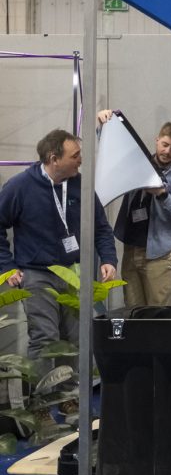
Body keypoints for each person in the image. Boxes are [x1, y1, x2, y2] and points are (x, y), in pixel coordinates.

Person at [0, 129, 117, 401]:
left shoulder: (81, 186)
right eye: (75, 155)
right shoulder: (20, 187)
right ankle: (40, 403)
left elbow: (101, 227)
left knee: (75, 339)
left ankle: (69, 399)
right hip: (37, 274)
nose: (81, 160)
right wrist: (7, 267)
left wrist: (109, 259)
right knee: (45, 338)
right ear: (54, 158)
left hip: (74, 273)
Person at [98, 111, 171, 308]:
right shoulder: (138, 163)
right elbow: (112, 154)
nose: (167, 151)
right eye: (164, 144)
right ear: (157, 140)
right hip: (131, 249)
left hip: (159, 255)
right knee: (133, 310)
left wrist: (162, 194)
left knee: (156, 314)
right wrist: (103, 125)